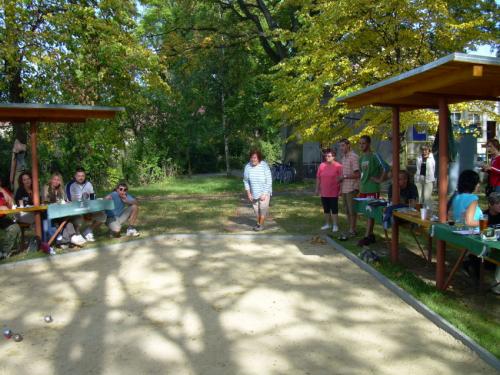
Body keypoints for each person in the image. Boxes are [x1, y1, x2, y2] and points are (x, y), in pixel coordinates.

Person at [357, 135, 387, 246]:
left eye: (363, 143)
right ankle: (371, 235)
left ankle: (366, 237)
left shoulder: (375, 156)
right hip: (363, 189)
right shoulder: (361, 158)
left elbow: (386, 168)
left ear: (369, 144)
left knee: (370, 212)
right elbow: (362, 173)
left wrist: (379, 179)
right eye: (360, 143)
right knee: (366, 212)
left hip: (372, 189)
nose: (361, 145)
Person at [42, 172, 86, 246]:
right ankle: (72, 237)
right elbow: (45, 201)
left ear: (60, 181)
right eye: (54, 179)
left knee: (72, 217)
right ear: (51, 180)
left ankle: (68, 239)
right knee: (65, 219)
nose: (56, 181)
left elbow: (65, 200)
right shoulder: (46, 187)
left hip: (61, 212)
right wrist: (57, 203)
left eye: (58, 180)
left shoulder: (61, 189)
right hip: (49, 212)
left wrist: (67, 202)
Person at [66, 167, 106, 241]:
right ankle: (77, 235)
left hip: (89, 209)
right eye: (79, 176)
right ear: (75, 176)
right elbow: (70, 200)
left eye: (82, 176)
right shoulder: (70, 185)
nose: (81, 178)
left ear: (85, 176)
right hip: (76, 210)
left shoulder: (89, 184)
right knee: (78, 219)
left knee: (103, 215)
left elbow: (92, 197)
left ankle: (88, 231)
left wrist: (91, 208)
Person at [243, 150, 272, 231]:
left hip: (265, 191)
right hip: (254, 192)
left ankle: (260, 225)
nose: (253, 159)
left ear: (259, 158)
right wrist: (249, 193)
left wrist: (265, 193)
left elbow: (269, 180)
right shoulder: (247, 167)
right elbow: (245, 181)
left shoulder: (264, 165)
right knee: (256, 210)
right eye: (252, 157)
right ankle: (259, 222)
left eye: (255, 157)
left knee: (262, 208)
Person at [316, 149, 342, 232]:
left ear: (334, 157)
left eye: (329, 156)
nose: (327, 157)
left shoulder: (338, 166)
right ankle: (327, 224)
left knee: (334, 209)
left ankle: (335, 225)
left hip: (334, 191)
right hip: (324, 192)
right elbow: (318, 178)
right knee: (326, 209)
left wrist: (341, 189)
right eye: (326, 156)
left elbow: (341, 179)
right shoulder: (322, 165)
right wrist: (317, 188)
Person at [339, 139, 360, 236]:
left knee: (352, 211)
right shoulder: (343, 158)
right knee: (347, 210)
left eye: (343, 145)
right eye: (340, 146)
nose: (341, 148)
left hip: (352, 188)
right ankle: (350, 228)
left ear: (348, 145)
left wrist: (344, 177)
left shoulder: (354, 157)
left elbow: (358, 174)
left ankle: (353, 230)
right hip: (344, 188)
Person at [0, 180, 21, 259]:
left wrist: (3, 191)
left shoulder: (4, 191)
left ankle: (5, 252)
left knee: (15, 227)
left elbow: (12, 204)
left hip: (3, 217)